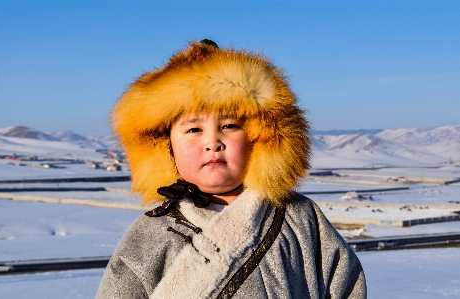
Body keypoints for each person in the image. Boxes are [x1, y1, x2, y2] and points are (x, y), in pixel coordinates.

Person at [95, 40, 366, 299]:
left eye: (229, 126)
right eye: (193, 129)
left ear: (261, 139)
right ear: (165, 148)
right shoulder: (149, 234)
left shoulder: (300, 217)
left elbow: (346, 286)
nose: (213, 142)